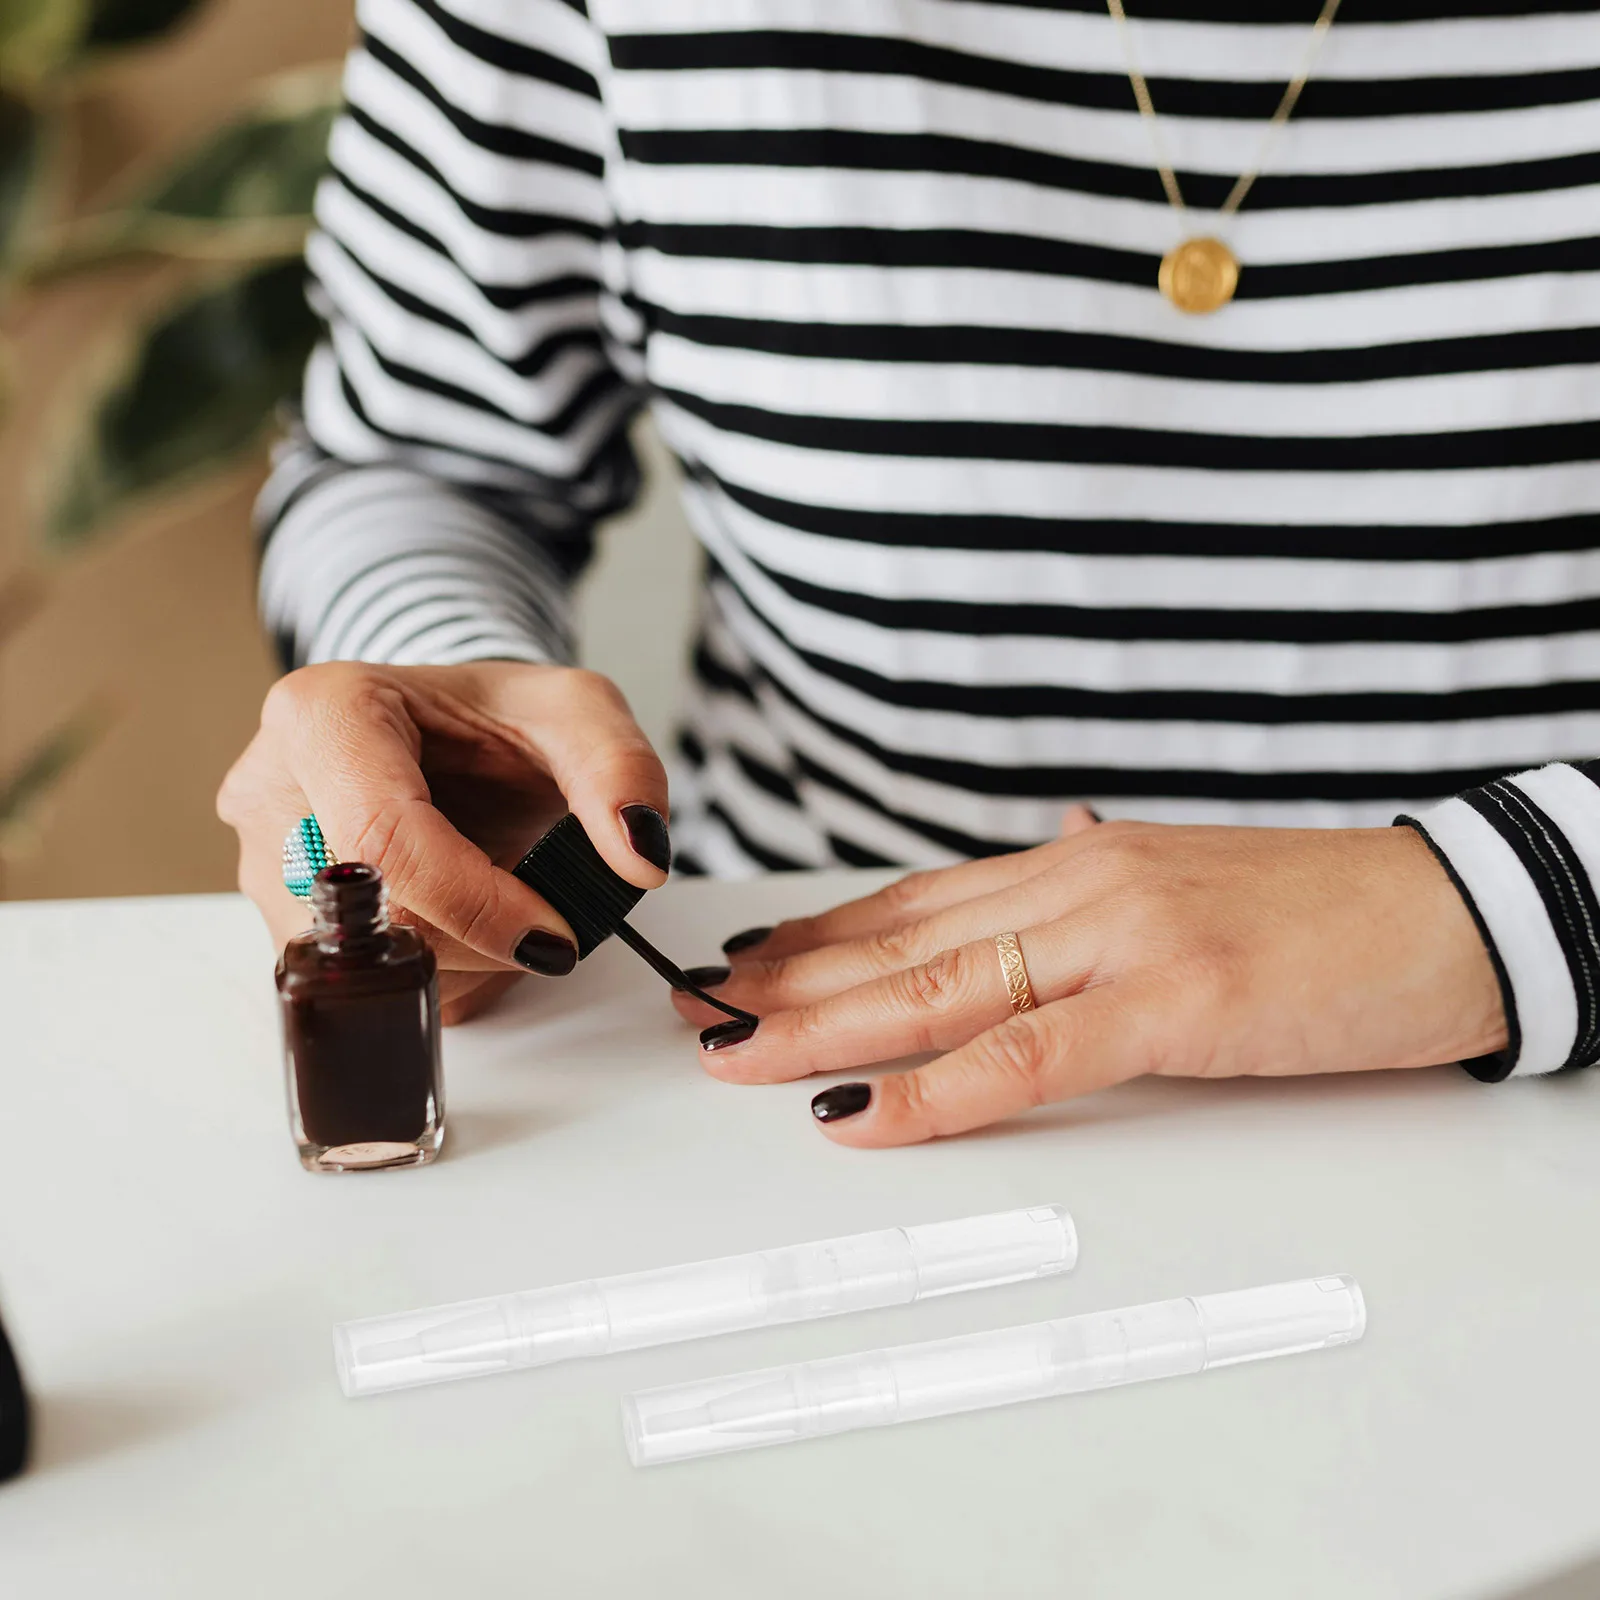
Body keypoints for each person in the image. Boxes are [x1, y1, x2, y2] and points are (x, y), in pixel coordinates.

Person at [218, 0, 1600, 1145]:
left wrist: (1508, 904)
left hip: (1556, 1092)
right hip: (777, 1059)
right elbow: (418, 454)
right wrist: (436, 692)